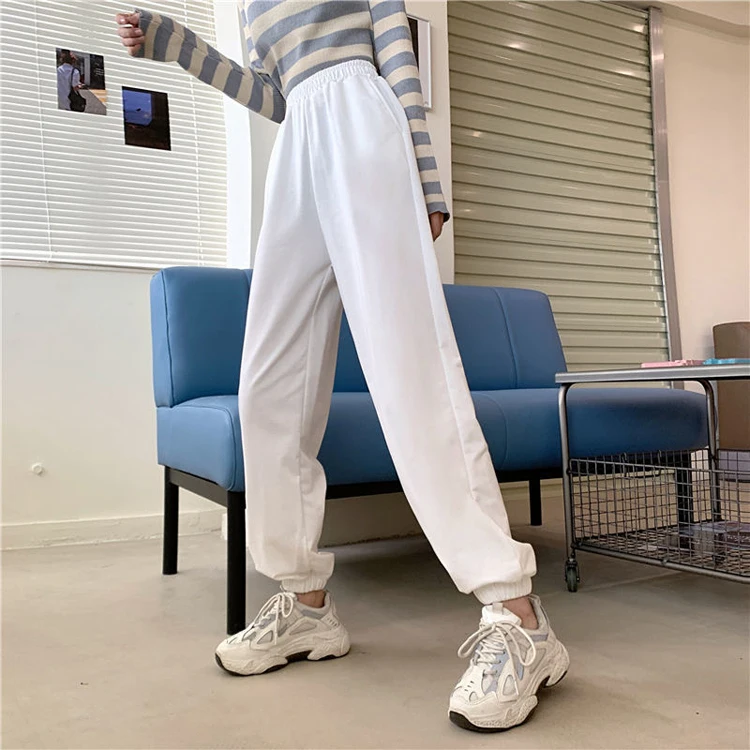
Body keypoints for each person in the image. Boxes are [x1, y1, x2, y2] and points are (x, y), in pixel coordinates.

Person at [116, 1, 569, 732]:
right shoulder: (252, 4)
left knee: (409, 371)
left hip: (365, 124)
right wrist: (178, 45)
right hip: (299, 140)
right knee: (269, 383)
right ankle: (305, 605)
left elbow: (397, 55)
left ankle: (519, 617)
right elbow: (274, 95)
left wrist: (426, 179)